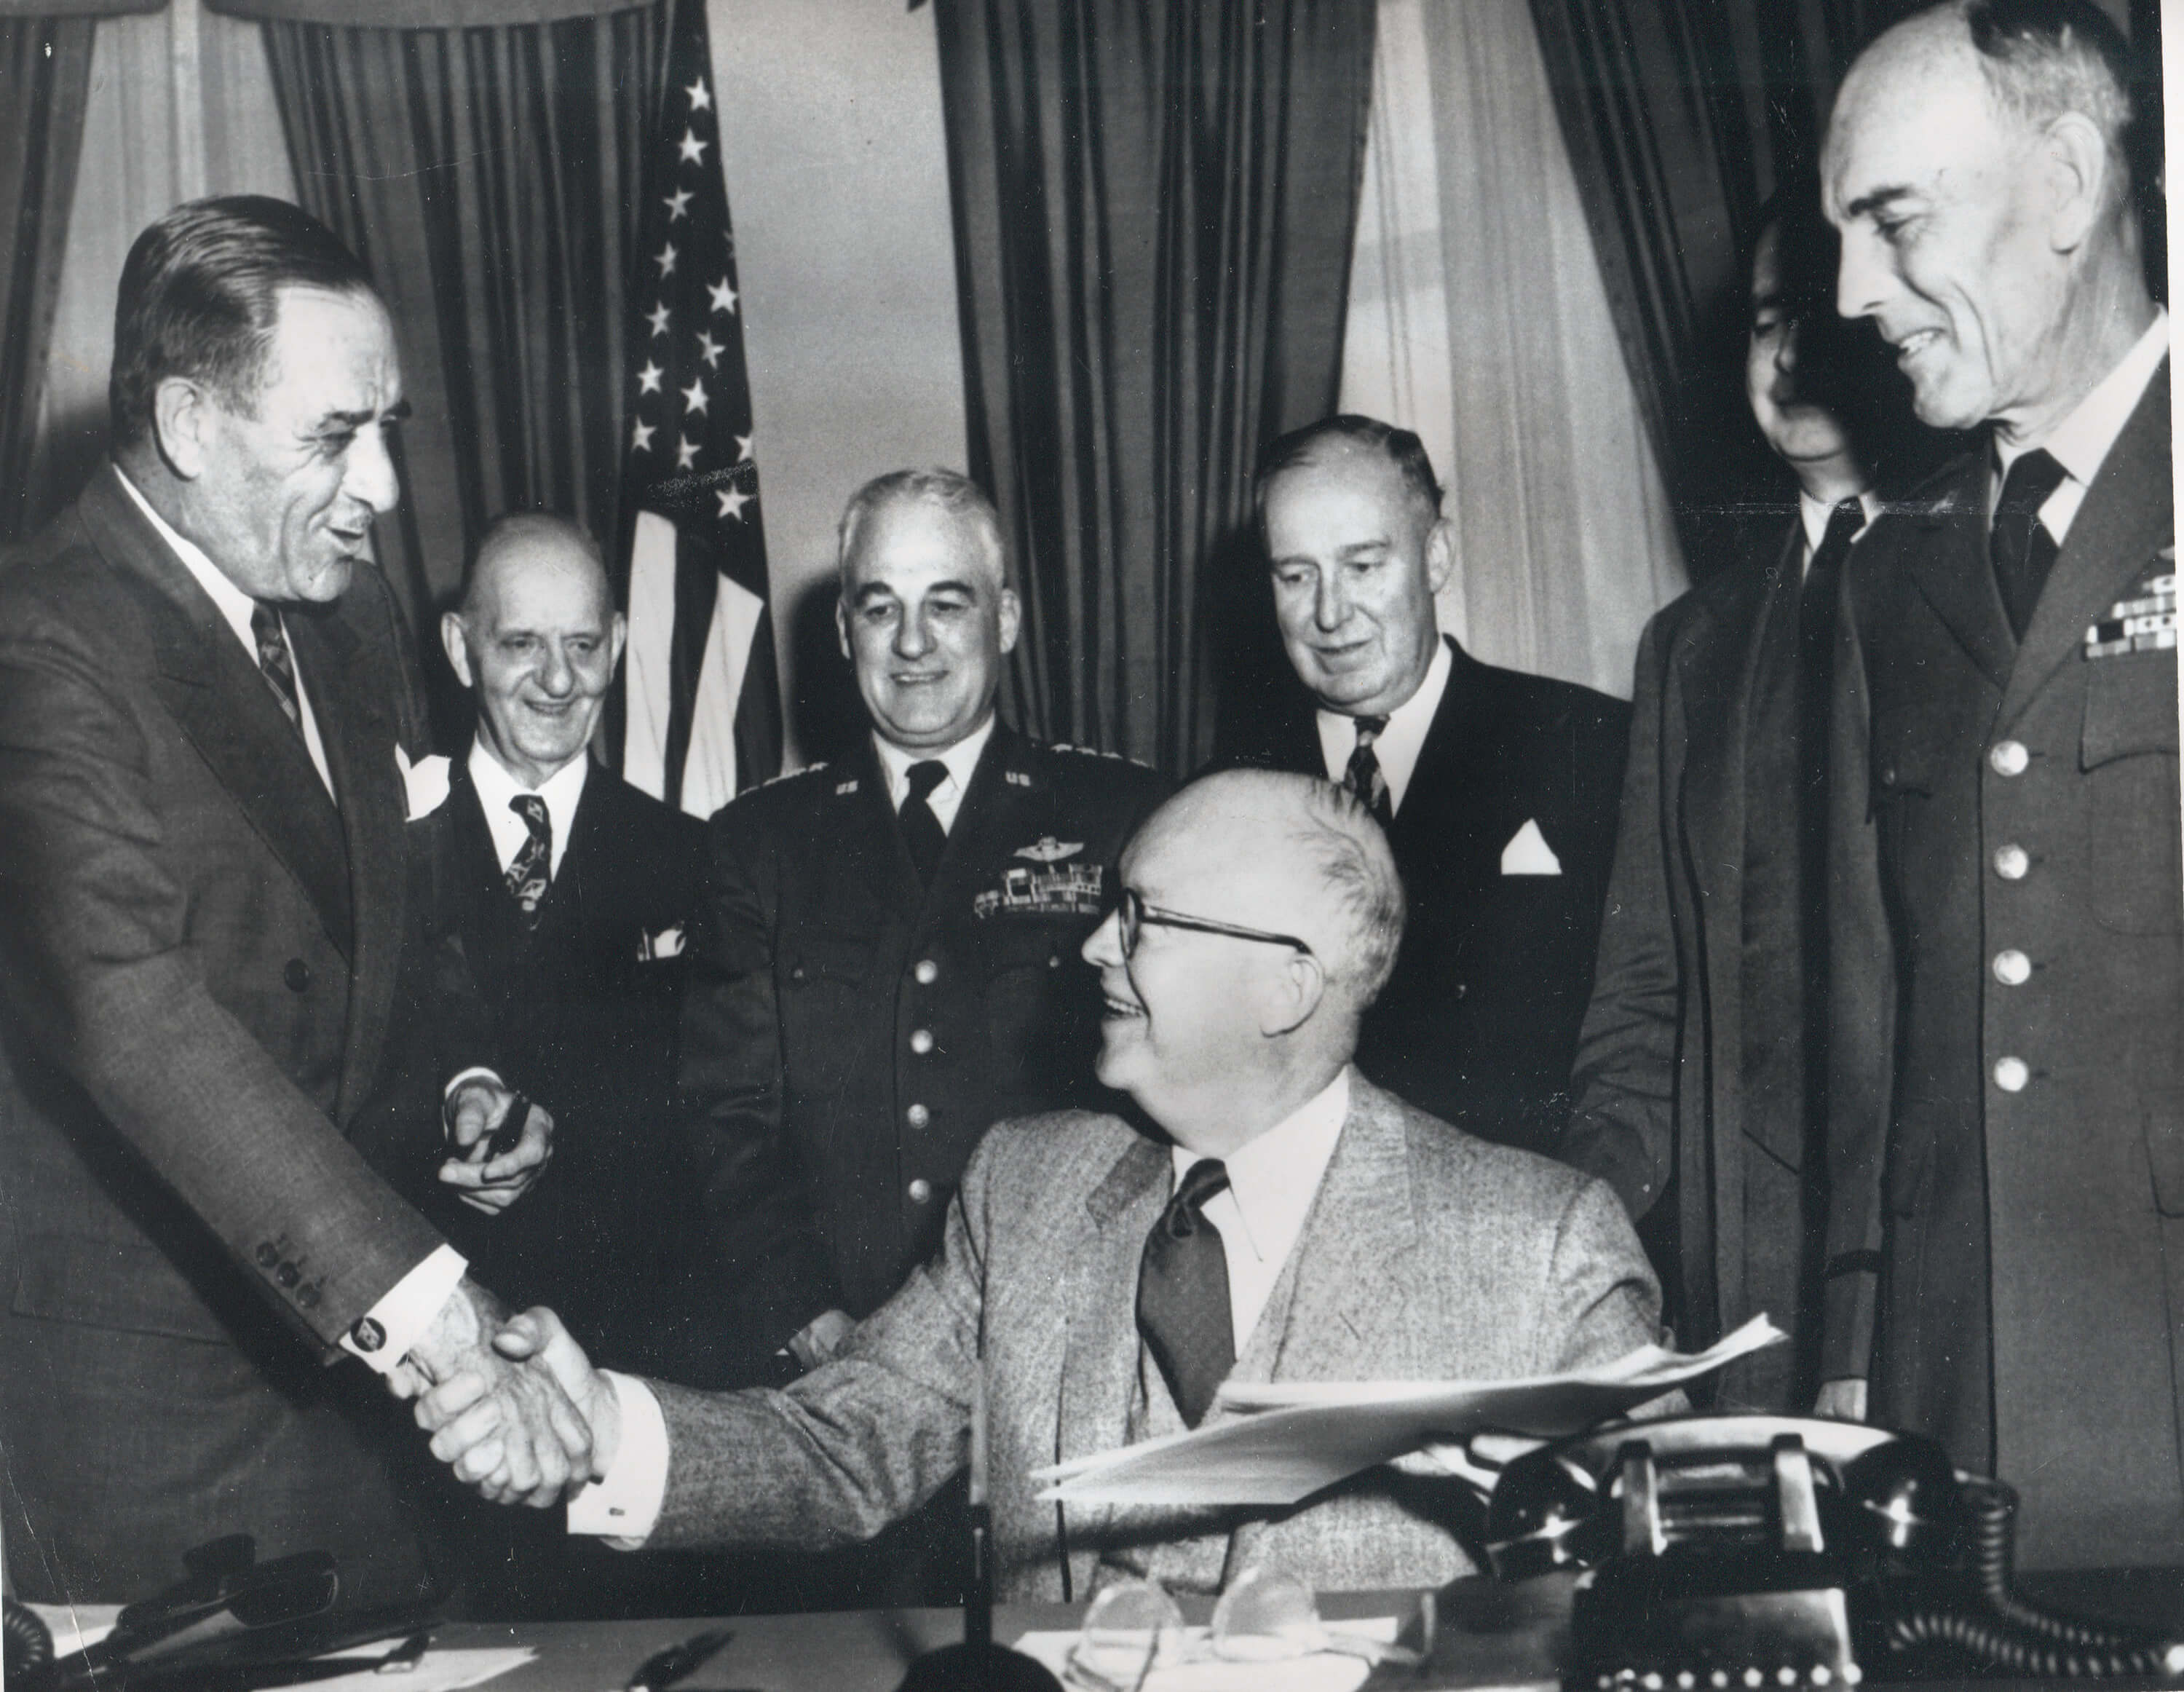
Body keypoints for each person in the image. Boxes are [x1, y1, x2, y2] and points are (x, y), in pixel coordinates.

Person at [419, 770, 1668, 1598]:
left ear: (1286, 985)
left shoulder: (1537, 1250)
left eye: (1143, 918)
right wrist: (607, 1424)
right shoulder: (1027, 1186)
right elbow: (844, 1444)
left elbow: (1648, 1609)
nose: (1089, 945)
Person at [0, 197, 590, 1612]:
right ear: (193, 425)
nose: (383, 485)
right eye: (336, 436)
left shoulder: (349, 612)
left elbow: (405, 921)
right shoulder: (39, 637)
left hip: (365, 1372)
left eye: (384, 427)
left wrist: (465, 1074)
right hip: (164, 1413)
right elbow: (132, 1011)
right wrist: (445, 1325)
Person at [1818, 0, 2178, 1567]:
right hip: (1957, 1431)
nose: (1849, 295)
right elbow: (1866, 1025)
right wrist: (1853, 1364)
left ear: (2071, 178)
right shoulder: (1891, 579)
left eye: (1894, 223)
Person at [684, 468, 1168, 1367]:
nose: (913, 643)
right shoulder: (759, 844)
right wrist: (809, 1318)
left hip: (1069, 1344)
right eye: (879, 609)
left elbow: (1168, 1098)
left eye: (947, 605)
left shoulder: (1121, 817)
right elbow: (729, 1117)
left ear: (1007, 619)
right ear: (842, 630)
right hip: (837, 1358)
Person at [1562, 186, 1904, 1410]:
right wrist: (1562, 1225)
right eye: (1769, 317)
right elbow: (1644, 990)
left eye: (1824, 313)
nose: (1796, 348)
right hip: (1747, 1283)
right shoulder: (1688, 645)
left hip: (1943, 1269)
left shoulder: (1989, 572)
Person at [1224, 417, 1629, 1154]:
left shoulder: (1589, 746)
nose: (1329, 612)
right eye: (1296, 574)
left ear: (1435, 555)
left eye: (1364, 565)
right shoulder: (1226, 795)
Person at [424, 513, 742, 1383]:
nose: (559, 679)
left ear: (619, 644)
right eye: (521, 643)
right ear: (461, 650)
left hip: (640, 1358)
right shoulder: (383, 848)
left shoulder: (698, 858)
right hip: (436, 1356)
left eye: (583, 644)